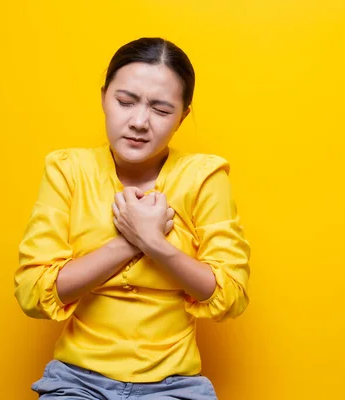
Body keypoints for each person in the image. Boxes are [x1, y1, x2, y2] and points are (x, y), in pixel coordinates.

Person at [14, 37, 251, 399]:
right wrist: (131, 240)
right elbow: (33, 294)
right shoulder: (67, 170)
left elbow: (230, 295)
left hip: (175, 385)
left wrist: (156, 244)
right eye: (125, 102)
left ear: (183, 115)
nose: (139, 121)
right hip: (77, 381)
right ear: (104, 97)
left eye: (161, 109)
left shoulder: (204, 177)